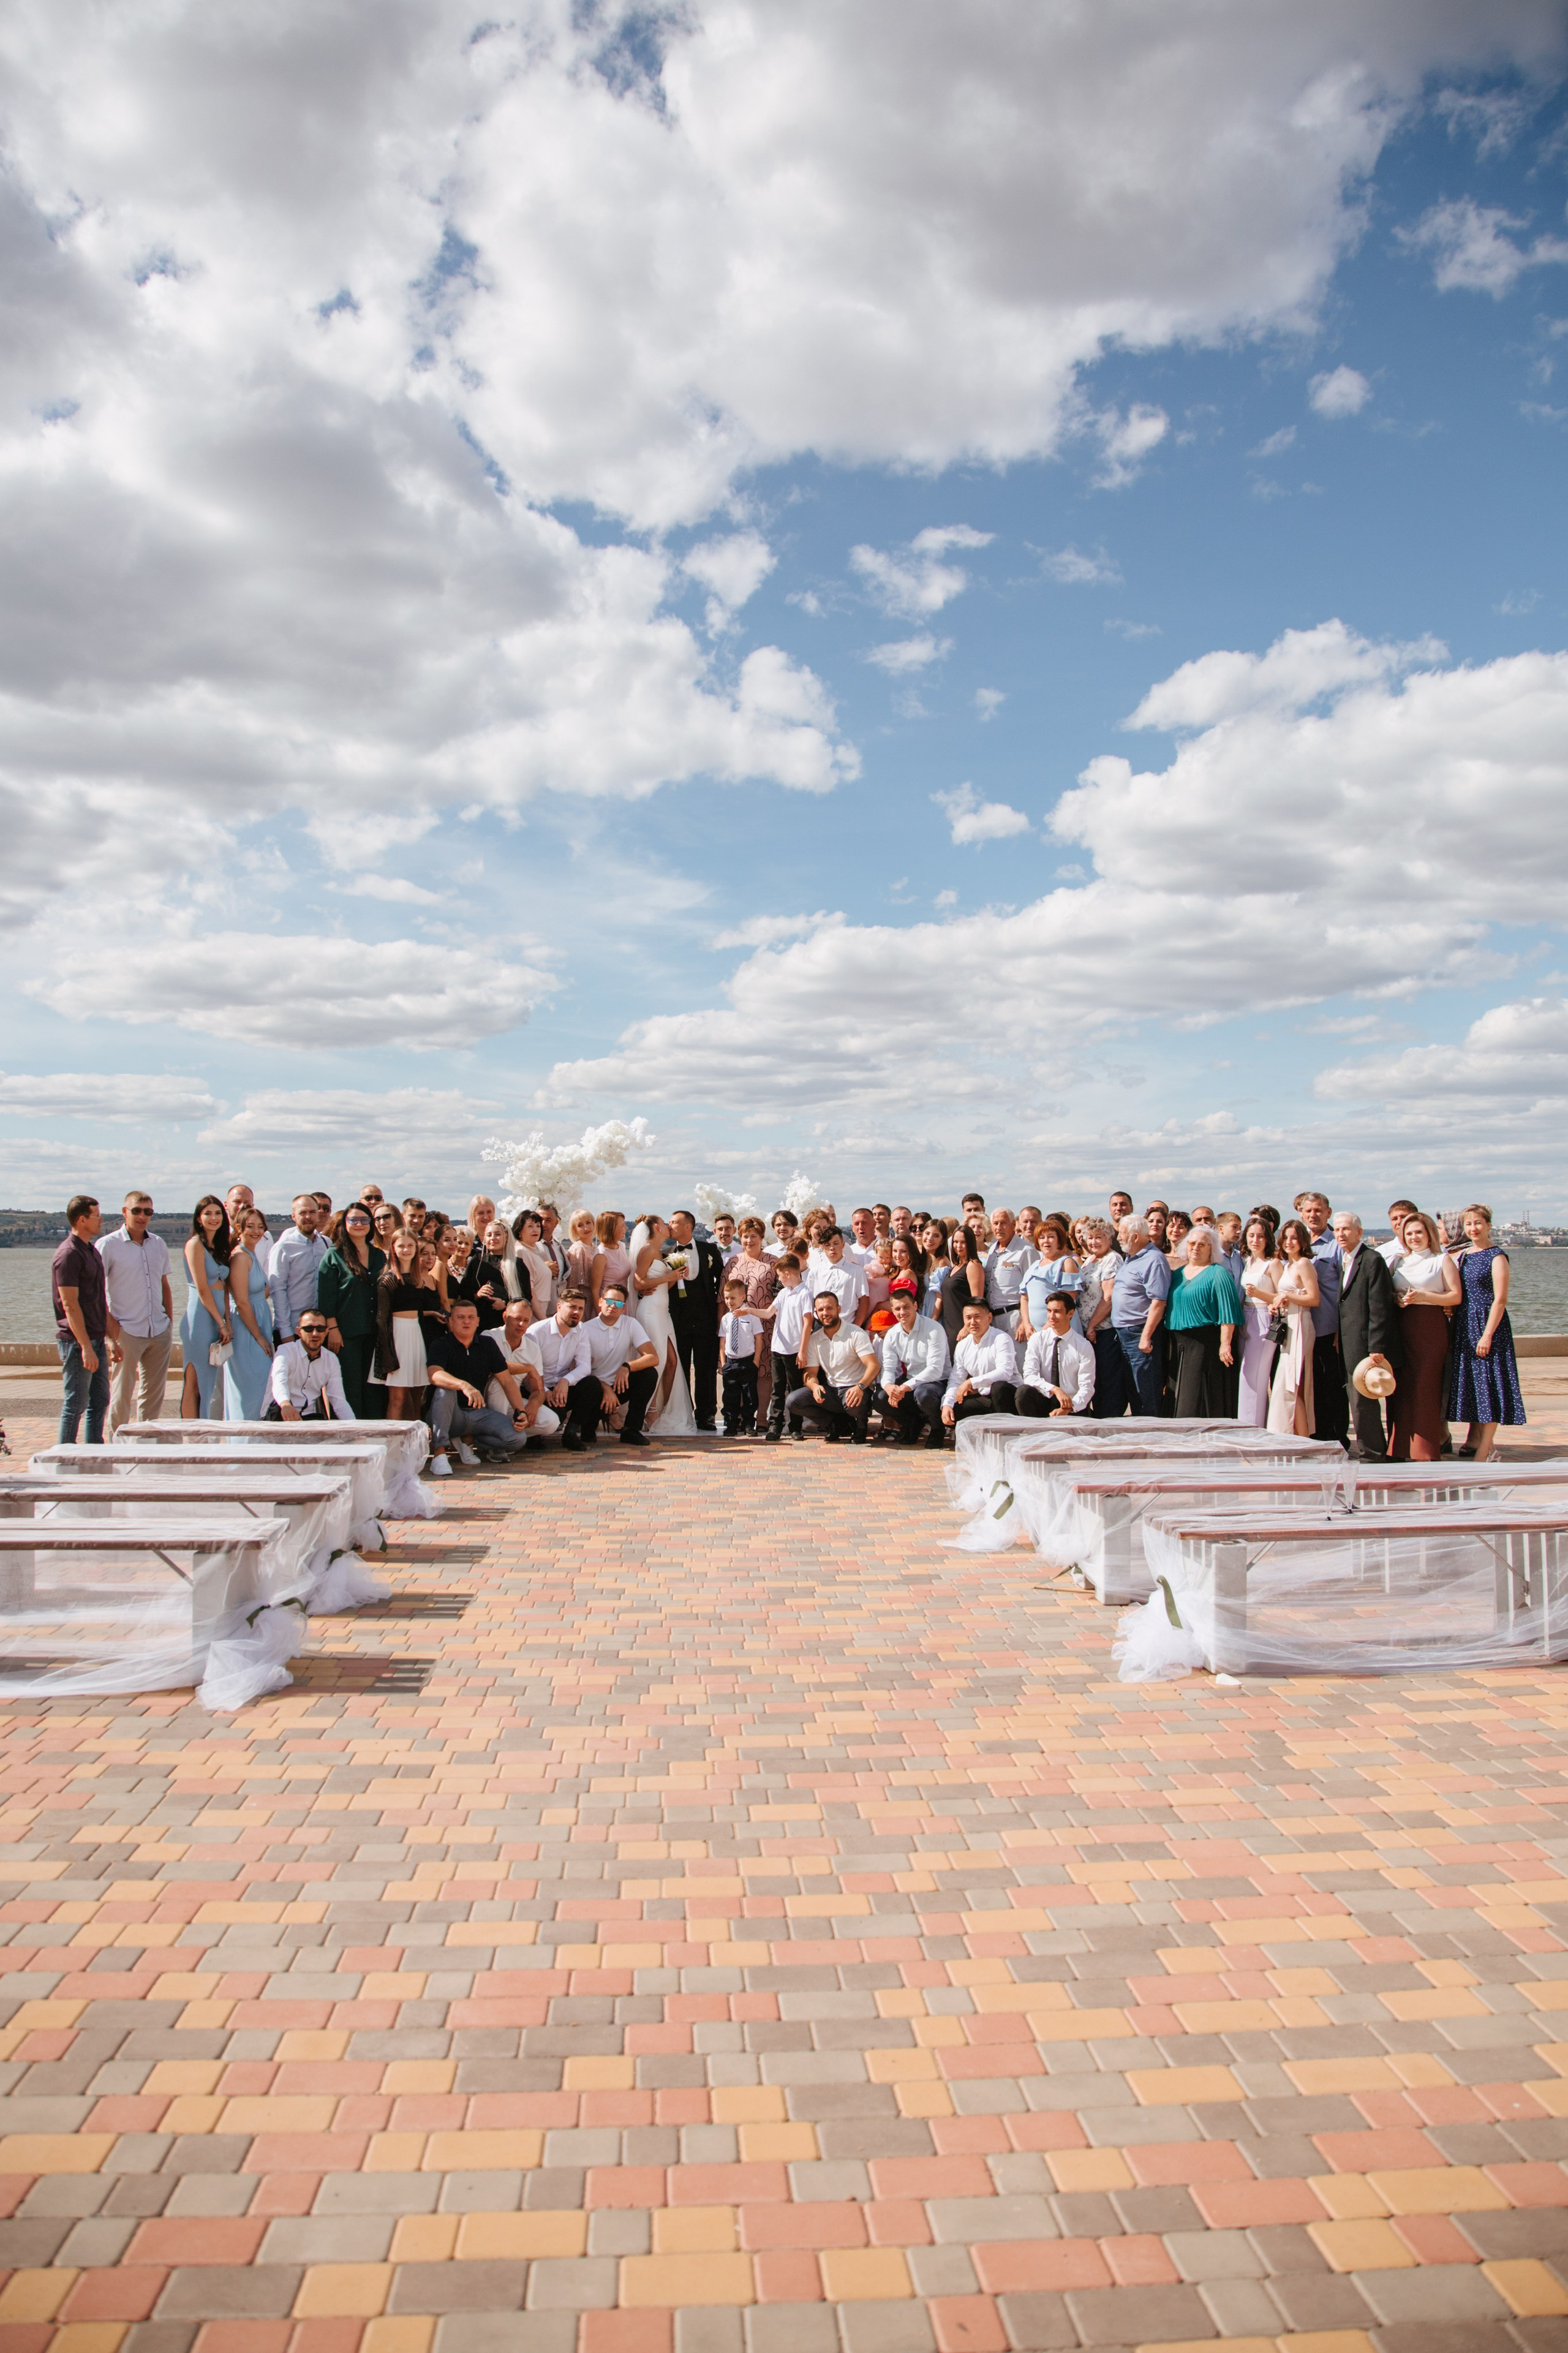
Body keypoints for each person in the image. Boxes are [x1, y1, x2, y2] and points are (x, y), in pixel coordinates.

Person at [1448, 1204, 1526, 1460]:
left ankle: (1483, 1450)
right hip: (1465, 1325)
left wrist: (1488, 1334)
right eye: (1468, 1224)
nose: (1473, 1228)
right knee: (1475, 1387)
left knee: (1490, 1387)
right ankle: (1487, 1447)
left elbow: (1500, 1300)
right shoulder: (1465, 1255)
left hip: (1488, 1325)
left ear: (1489, 1225)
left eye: (1478, 1223)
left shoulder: (1497, 1256)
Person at [1389, 1210, 1462, 1462]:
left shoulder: (1442, 1261)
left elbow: (1455, 1296)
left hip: (1430, 1329)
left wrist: (1425, 1297)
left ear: (1429, 1233)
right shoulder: (1399, 1262)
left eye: (1419, 1232)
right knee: (1402, 1387)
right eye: (1409, 1233)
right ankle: (1399, 1449)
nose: (1414, 1237)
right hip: (1402, 1327)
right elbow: (1392, 1293)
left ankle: (1426, 1451)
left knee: (1426, 1387)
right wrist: (1399, 1300)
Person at [97, 1191, 174, 1432]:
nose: (142, 1216)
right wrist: (111, 1334)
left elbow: (164, 1286)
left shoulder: (158, 1244)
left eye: (148, 1212)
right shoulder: (108, 1246)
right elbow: (96, 1294)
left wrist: (169, 1322)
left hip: (159, 1330)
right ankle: (117, 1444)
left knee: (153, 1395)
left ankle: (146, 1444)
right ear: (124, 1212)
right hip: (126, 1330)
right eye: (137, 1211)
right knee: (121, 1393)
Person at [423, 1298, 530, 1468]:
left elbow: (507, 1381)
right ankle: (440, 1454)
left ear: (478, 1321)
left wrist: (521, 1411)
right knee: (446, 1390)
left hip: (478, 1415)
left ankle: (468, 1441)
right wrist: (463, 1385)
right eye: (460, 1317)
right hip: (450, 1415)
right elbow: (434, 1374)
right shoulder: (441, 1344)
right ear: (451, 1321)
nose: (466, 1321)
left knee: (517, 1439)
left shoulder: (487, 1344)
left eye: (471, 1318)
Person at [1333, 1210, 1402, 1459]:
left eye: (1346, 1229)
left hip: (1365, 1345)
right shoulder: (1346, 1260)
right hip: (1348, 1341)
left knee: (1365, 1402)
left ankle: (1373, 1453)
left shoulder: (1372, 1260)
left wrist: (1376, 1347)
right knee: (1357, 1401)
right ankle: (1369, 1449)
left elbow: (1380, 1307)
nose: (1341, 1234)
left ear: (1359, 1232)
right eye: (1337, 1230)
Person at [315, 1201, 384, 1419]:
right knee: (349, 1390)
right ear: (344, 1224)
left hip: (375, 1334)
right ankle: (349, 1439)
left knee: (374, 1390)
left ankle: (374, 1437)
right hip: (346, 1334)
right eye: (353, 1220)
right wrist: (332, 1328)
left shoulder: (379, 1256)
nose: (359, 1224)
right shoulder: (333, 1256)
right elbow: (326, 1298)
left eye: (364, 1220)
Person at [1164, 1228, 1243, 1416]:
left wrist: (1225, 1344)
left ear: (1211, 1248)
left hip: (1203, 1343)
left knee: (1195, 1398)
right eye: (1192, 1244)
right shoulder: (1178, 1274)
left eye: (1202, 1244)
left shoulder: (1218, 1273)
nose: (1196, 1248)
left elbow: (1228, 1313)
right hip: (1177, 1343)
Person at [53, 1194, 111, 1445]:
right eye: (96, 1216)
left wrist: (110, 1338)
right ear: (81, 1219)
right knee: (76, 1402)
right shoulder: (68, 1255)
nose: (101, 1220)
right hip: (78, 1343)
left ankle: (93, 1453)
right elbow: (70, 1305)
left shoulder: (91, 1251)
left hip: (96, 1339)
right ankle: (64, 1457)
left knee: (100, 1400)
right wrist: (86, 1346)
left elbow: (98, 1299)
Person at [631, 1215, 696, 1437]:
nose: (669, 1226)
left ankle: (661, 1408)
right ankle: (648, 1411)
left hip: (663, 1311)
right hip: (650, 1312)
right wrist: (668, 1275)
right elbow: (638, 1283)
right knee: (657, 1362)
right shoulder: (647, 1250)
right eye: (665, 1223)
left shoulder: (660, 1252)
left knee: (672, 1362)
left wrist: (675, 1278)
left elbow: (660, 1285)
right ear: (657, 1227)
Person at [788, 1292, 880, 1443]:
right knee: (794, 1401)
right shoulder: (814, 1339)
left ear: (839, 1309)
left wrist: (861, 1386)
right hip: (832, 1391)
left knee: (852, 1403)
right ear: (816, 1313)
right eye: (821, 1310)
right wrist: (814, 1386)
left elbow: (874, 1365)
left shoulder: (856, 1333)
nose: (825, 1313)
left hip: (856, 1389)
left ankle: (861, 1425)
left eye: (829, 1308)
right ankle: (835, 1423)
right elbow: (809, 1374)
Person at [1102, 1215, 1169, 1418]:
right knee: (1134, 1388)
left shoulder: (1154, 1260)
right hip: (1124, 1334)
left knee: (1146, 1389)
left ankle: (1152, 1433)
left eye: (1122, 1234)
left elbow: (1158, 1302)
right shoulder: (1130, 1257)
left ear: (1136, 1236)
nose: (1119, 1238)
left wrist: (1146, 1336)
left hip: (1140, 1332)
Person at [1295, 1190, 1348, 1444]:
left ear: (1328, 1213)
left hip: (1328, 1329)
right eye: (1308, 1211)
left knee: (1332, 1389)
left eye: (1318, 1210)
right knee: (1307, 1388)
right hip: (1300, 1331)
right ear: (1301, 1214)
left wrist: (1341, 1328)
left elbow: (1346, 1292)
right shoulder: (1295, 1245)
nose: (1313, 1215)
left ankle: (1337, 1439)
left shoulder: (1337, 1246)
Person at [582, 1283, 662, 1446]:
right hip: (594, 1389)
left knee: (649, 1374)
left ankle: (631, 1430)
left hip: (619, 1385)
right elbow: (580, 1370)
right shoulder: (585, 1329)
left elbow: (653, 1357)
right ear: (600, 1302)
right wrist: (605, 1388)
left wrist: (627, 1367)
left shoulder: (630, 1324)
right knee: (587, 1435)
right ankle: (586, 1426)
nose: (613, 1306)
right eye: (609, 1301)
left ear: (624, 1308)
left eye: (619, 1303)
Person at [666, 1210, 725, 1430]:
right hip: (678, 1321)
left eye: (674, 1222)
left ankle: (706, 1414)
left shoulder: (708, 1250)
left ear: (688, 1226)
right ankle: (683, 1412)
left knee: (705, 1370)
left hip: (705, 1320)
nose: (669, 1225)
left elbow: (722, 1280)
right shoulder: (666, 1252)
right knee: (680, 1368)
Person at [870, 1284, 950, 1445]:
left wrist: (906, 1387)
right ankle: (912, 1423)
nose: (902, 1312)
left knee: (924, 1394)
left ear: (915, 1306)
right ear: (893, 1310)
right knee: (880, 1398)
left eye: (906, 1307)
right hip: (911, 1382)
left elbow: (935, 1370)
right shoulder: (892, 1334)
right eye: (898, 1309)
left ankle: (937, 1428)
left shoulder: (934, 1329)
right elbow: (888, 1367)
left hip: (937, 1382)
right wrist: (889, 1386)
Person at [371, 1229, 433, 1420]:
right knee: (397, 1397)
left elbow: (418, 1314)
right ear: (394, 1249)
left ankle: (415, 1440)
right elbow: (382, 1319)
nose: (406, 1250)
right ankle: (393, 1444)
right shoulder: (388, 1280)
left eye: (410, 1245)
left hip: (415, 1336)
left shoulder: (417, 1279)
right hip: (397, 1338)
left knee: (417, 1395)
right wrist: (388, 1355)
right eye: (401, 1246)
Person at [180, 1195, 233, 1419]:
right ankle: (190, 1432)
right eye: (208, 1213)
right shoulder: (195, 1245)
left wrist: (227, 1321)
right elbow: (203, 1289)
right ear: (199, 1218)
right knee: (195, 1382)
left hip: (219, 1318)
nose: (214, 1218)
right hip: (200, 1319)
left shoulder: (220, 1247)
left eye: (218, 1213)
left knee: (210, 1382)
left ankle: (204, 1430)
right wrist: (221, 1323)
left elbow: (226, 1290)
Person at [532, 1286, 604, 1451]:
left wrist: (566, 1381)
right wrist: (542, 1391)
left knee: (592, 1384)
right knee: (557, 1415)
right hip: (536, 1389)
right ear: (559, 1307)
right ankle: (532, 1435)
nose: (577, 1312)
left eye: (580, 1309)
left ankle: (570, 1433)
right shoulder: (537, 1332)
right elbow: (527, 1372)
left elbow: (585, 1366)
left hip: (561, 1390)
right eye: (572, 1307)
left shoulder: (581, 1330)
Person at [1267, 1218, 1320, 1437]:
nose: (1289, 1242)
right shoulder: (1288, 1266)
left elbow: (1314, 1299)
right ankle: (1294, 1434)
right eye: (1286, 1238)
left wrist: (1287, 1296)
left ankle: (1303, 1437)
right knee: (1287, 1382)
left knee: (1295, 1382)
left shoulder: (1304, 1264)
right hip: (1289, 1324)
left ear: (1302, 1241)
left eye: (1294, 1238)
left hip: (1301, 1324)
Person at [224, 1204, 277, 1420]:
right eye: (250, 1226)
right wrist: (260, 1338)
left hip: (259, 1321)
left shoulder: (252, 1254)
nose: (256, 1231)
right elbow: (242, 1303)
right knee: (253, 1389)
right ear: (239, 1228)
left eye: (260, 1227)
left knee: (261, 1388)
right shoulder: (240, 1258)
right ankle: (245, 1443)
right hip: (247, 1329)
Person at [941, 1299, 1019, 1435]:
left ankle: (1008, 1434)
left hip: (1008, 1397)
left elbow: (1005, 1373)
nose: (973, 1322)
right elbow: (956, 1379)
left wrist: (972, 1382)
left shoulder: (1001, 1338)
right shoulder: (963, 1346)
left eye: (977, 1317)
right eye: (968, 1318)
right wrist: (947, 1403)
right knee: (954, 1410)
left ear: (989, 1318)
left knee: (999, 1387)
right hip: (985, 1398)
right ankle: (987, 1433)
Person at [486, 1297, 557, 1441]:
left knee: (551, 1422)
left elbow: (538, 1389)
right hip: (484, 1400)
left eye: (526, 1321)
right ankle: (496, 1441)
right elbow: (495, 1367)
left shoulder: (533, 1348)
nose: (521, 1324)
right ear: (505, 1317)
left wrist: (533, 1404)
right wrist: (528, 1368)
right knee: (502, 1381)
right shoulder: (489, 1337)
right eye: (517, 1319)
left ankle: (508, 1436)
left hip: (512, 1402)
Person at [1016, 1291, 1096, 1416]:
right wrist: (1054, 1390)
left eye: (1057, 1312)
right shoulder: (1038, 1339)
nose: (1051, 1317)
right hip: (1046, 1398)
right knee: (1023, 1392)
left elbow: (1087, 1387)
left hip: (1072, 1405)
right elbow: (1030, 1376)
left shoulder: (1083, 1346)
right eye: (1049, 1311)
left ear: (1070, 1313)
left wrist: (1069, 1408)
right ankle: (1033, 1432)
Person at [268, 1310, 355, 1421]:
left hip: (308, 1417)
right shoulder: (285, 1351)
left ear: (326, 1332)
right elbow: (279, 1382)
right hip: (279, 1413)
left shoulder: (331, 1359)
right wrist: (286, 1405)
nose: (315, 1334)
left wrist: (354, 1427)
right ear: (299, 1332)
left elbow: (339, 1401)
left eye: (320, 1329)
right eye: (309, 1329)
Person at [1237, 1214, 1283, 1428]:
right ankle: (1245, 1421)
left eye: (1261, 1236)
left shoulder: (1273, 1264)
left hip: (1263, 1317)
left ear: (1268, 1239)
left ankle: (1253, 1426)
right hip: (1245, 1317)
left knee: (1255, 1375)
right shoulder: (1248, 1262)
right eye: (1251, 1235)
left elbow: (1282, 1297)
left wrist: (1259, 1294)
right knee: (1245, 1373)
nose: (1255, 1240)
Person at [266, 1195, 328, 1342]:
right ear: (294, 1216)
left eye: (312, 1212)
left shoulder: (326, 1244)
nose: (308, 1217)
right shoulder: (283, 1248)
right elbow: (278, 1291)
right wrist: (285, 1332)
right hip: (293, 1329)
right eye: (303, 1213)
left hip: (319, 1330)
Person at [765, 1253, 809, 1441]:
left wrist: (803, 1350)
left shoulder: (805, 1293)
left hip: (794, 1350)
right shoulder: (783, 1293)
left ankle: (796, 1426)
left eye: (780, 1276)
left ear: (788, 1273)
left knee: (795, 1388)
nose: (779, 1280)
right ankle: (776, 1424)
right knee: (778, 1387)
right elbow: (769, 1313)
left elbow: (807, 1323)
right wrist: (749, 1310)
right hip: (778, 1348)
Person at [1019, 1214, 1080, 1339]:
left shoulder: (1066, 1263)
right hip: (1035, 1334)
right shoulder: (1034, 1266)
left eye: (1051, 1237)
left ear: (1059, 1241)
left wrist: (1046, 1329)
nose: (1046, 1241)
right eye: (1042, 1238)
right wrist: (1026, 1324)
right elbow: (1024, 1297)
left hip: (1060, 1331)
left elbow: (1069, 1298)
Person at [719, 1278, 765, 1437]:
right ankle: (731, 1425)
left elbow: (759, 1338)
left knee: (749, 1396)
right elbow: (723, 1341)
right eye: (726, 1298)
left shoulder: (751, 1316)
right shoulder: (726, 1318)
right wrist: (724, 1363)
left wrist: (756, 1361)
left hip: (747, 1362)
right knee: (730, 1397)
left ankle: (748, 1425)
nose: (729, 1301)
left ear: (743, 1297)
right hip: (731, 1363)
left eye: (733, 1298)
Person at [982, 1208, 1035, 1335]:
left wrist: (1025, 1322)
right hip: (993, 1319)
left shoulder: (1026, 1251)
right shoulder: (992, 1252)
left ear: (1013, 1225)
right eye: (996, 1224)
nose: (999, 1227)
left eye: (1003, 1223)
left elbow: (1033, 1289)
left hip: (1015, 1317)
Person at [937, 1224, 988, 1354]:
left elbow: (978, 1301)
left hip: (963, 1327)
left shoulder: (973, 1265)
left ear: (970, 1243)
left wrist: (967, 1328)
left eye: (963, 1242)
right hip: (950, 1326)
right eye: (955, 1242)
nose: (958, 1246)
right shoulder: (956, 1266)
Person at [512, 1209, 557, 1320]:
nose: (535, 1229)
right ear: (519, 1229)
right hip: (532, 1314)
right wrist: (544, 1321)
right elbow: (530, 1291)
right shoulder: (522, 1251)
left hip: (541, 1309)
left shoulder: (533, 1251)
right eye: (530, 1226)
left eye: (538, 1226)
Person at [224, 1184, 271, 1276]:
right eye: (237, 1202)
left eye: (247, 1203)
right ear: (226, 1205)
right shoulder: (218, 1235)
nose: (242, 1206)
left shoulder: (265, 1237)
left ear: (252, 1206)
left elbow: (268, 1273)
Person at [565, 1210, 605, 1304]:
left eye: (588, 1223)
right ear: (575, 1229)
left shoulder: (595, 1248)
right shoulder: (578, 1249)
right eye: (580, 1225)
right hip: (583, 1300)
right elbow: (574, 1285)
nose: (586, 1228)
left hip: (596, 1298)